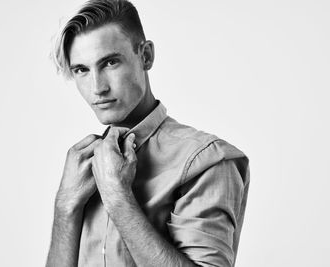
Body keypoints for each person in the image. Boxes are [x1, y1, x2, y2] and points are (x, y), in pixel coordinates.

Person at [46, 0, 250, 266]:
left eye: (109, 63)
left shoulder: (206, 160)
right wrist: (65, 207)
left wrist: (118, 197)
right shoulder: (82, 166)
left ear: (146, 56)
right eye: (81, 70)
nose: (97, 88)